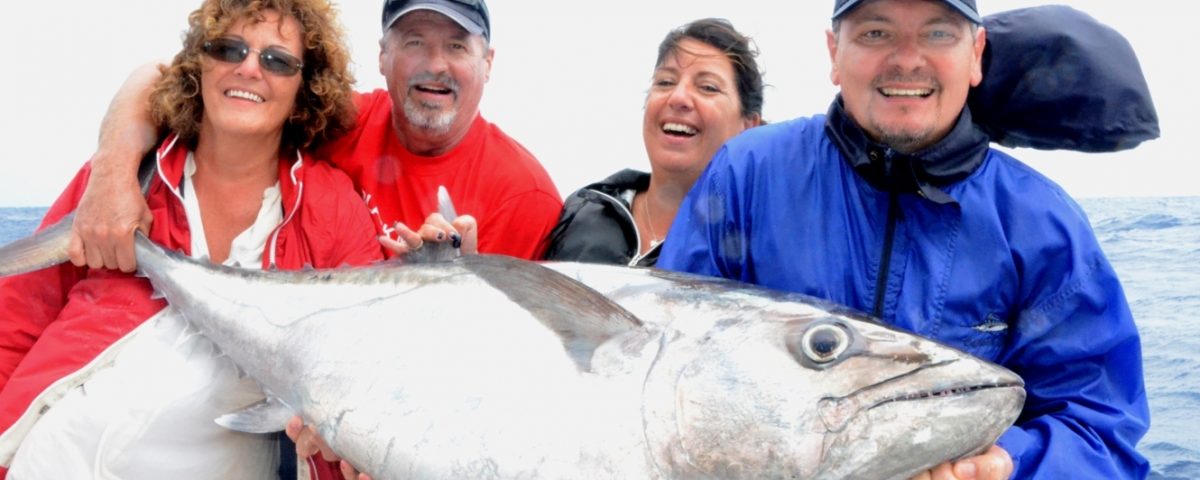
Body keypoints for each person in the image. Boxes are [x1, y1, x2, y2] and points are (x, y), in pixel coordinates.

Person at [658, 0, 1151, 479]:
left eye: (938, 33)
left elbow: (1099, 429)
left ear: (976, 54)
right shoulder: (745, 175)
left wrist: (1007, 464)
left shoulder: (1044, 225)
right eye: (876, 33)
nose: (908, 60)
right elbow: (668, 371)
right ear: (834, 53)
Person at [0, 1, 383, 478]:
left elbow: (368, 365)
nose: (248, 68)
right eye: (228, 48)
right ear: (198, 66)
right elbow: (13, 324)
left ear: (304, 87)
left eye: (277, 60)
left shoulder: (331, 207)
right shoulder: (121, 181)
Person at [69, 0, 560, 272]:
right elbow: (162, 79)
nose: (435, 63)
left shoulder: (525, 196)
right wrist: (112, 176)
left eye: (456, 45)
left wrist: (458, 284)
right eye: (414, 42)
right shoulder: (339, 118)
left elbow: (502, 367)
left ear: (488, 63)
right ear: (383, 57)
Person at [542, 18, 763, 267]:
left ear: (749, 127)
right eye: (665, 82)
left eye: (708, 87)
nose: (678, 97)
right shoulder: (586, 210)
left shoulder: (752, 249)